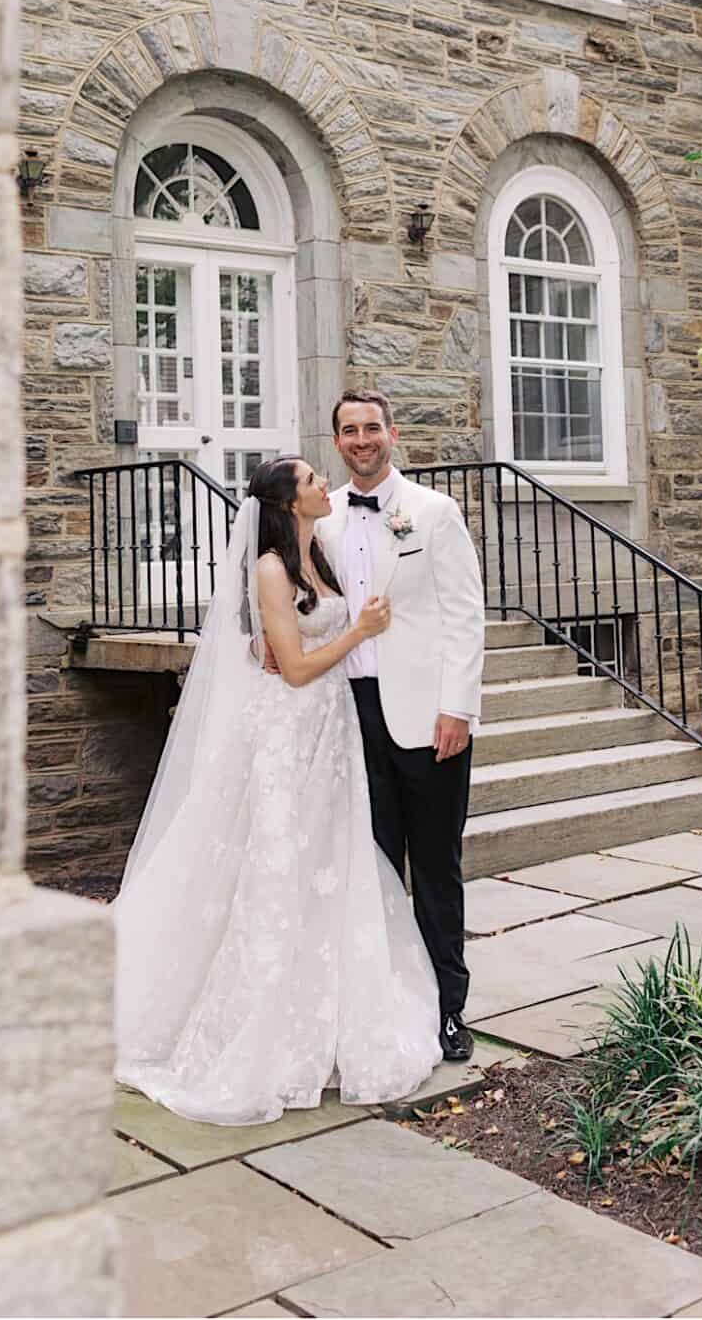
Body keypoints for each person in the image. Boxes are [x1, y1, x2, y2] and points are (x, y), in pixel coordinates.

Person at [113, 456, 441, 1124]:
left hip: (330, 733)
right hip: (289, 736)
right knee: (278, 870)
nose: (326, 484)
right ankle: (262, 1028)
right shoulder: (270, 566)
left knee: (328, 863)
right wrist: (358, 631)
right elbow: (291, 668)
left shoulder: (316, 549)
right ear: (290, 500)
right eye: (314, 479)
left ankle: (327, 1017)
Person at [317, 390, 487, 1064]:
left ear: (393, 432)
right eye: (349, 430)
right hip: (347, 714)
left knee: (437, 866)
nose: (362, 439)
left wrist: (459, 706)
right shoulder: (321, 516)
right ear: (337, 440)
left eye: (371, 428)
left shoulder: (433, 512)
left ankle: (448, 1009)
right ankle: (387, 1008)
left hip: (426, 716)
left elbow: (464, 614)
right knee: (374, 869)